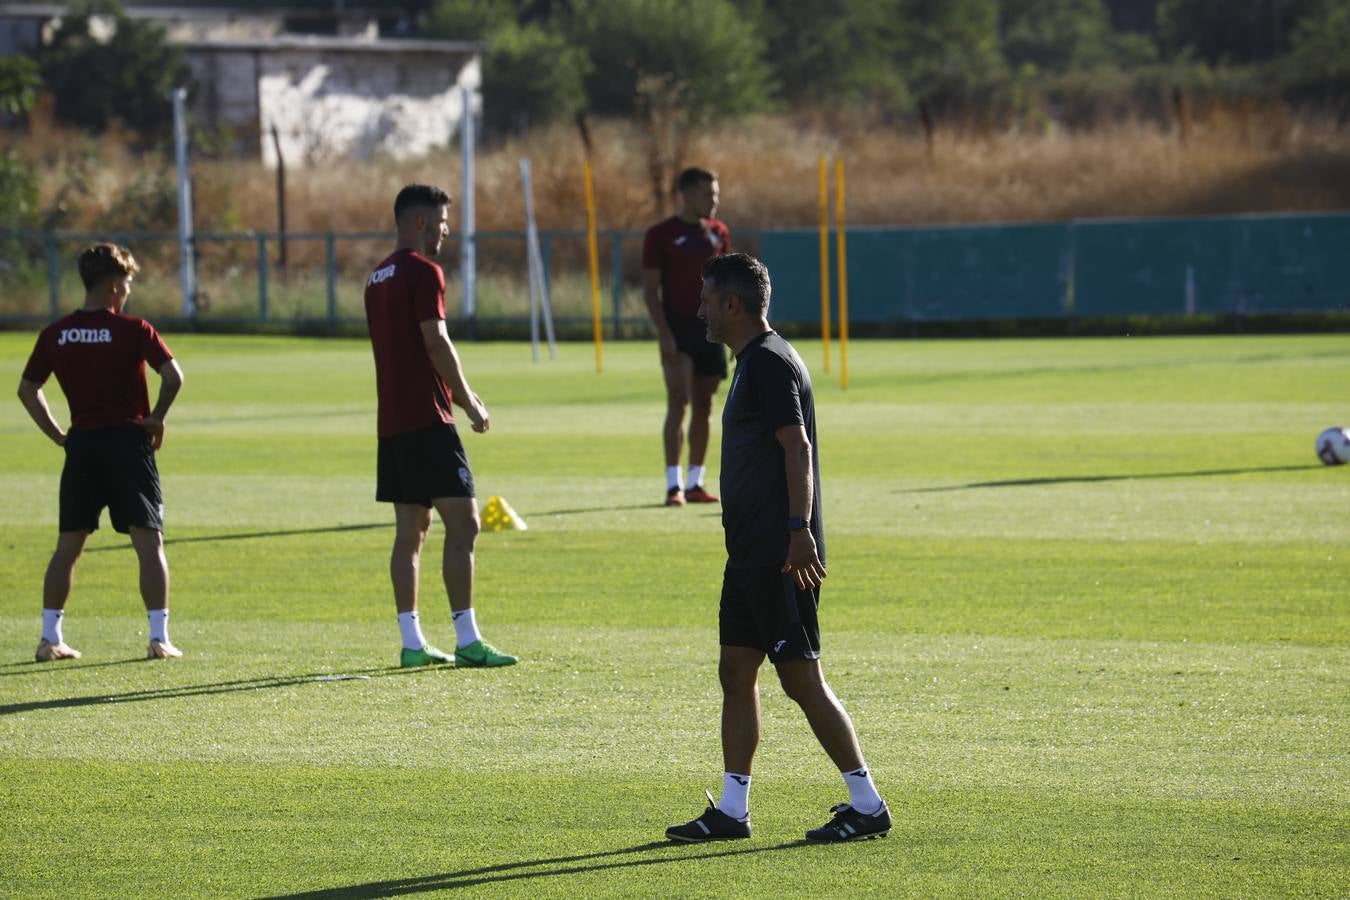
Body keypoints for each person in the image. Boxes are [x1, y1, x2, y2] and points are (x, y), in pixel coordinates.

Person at [666, 252, 891, 844]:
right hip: (748, 554)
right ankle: (733, 811)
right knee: (736, 671)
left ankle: (867, 803)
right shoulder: (752, 360)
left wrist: (798, 530)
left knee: (801, 680)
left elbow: (797, 449)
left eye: (708, 299)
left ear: (732, 305)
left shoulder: (767, 363)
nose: (700, 309)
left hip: (776, 554)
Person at [364, 183, 517, 670]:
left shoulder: (376, 277)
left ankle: (411, 642)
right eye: (444, 222)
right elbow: (436, 342)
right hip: (428, 420)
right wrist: (468, 400)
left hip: (392, 422)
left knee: (410, 533)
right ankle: (467, 639)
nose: (448, 231)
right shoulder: (424, 271)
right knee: (465, 524)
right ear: (421, 222)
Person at [17, 243, 186, 662]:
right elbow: (173, 376)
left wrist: (59, 435)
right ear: (113, 285)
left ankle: (49, 637)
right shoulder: (134, 330)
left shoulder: (56, 333)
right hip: (129, 445)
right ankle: (158, 638)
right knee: (149, 543)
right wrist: (157, 418)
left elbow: (27, 389)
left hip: (83, 447)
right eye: (127, 284)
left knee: (68, 546)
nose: (128, 291)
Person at [642, 167, 731, 507]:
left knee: (705, 405)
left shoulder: (719, 233)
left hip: (711, 332)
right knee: (678, 403)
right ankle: (672, 485)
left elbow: (727, 287)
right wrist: (664, 336)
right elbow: (651, 291)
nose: (714, 201)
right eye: (708, 194)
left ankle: (696, 481)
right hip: (678, 330)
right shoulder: (660, 235)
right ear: (687, 194)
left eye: (716, 194)